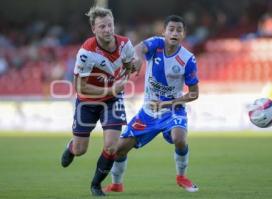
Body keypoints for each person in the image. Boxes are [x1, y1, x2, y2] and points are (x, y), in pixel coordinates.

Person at [103, 15, 200, 194]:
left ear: (184, 34)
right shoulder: (156, 43)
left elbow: (194, 93)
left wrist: (167, 104)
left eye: (179, 30)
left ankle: (181, 176)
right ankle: (117, 184)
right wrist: (138, 58)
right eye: (171, 29)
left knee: (179, 138)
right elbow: (138, 49)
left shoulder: (188, 59)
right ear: (164, 32)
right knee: (118, 150)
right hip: (148, 113)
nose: (175, 33)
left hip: (172, 109)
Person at [60, 6, 135, 196]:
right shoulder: (86, 52)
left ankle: (95, 185)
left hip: (113, 100)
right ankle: (71, 147)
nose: (108, 29)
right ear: (94, 29)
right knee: (80, 149)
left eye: (110, 25)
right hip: (87, 101)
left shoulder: (125, 44)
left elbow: (130, 64)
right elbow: (79, 87)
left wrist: (134, 66)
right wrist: (110, 88)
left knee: (112, 146)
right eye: (102, 27)